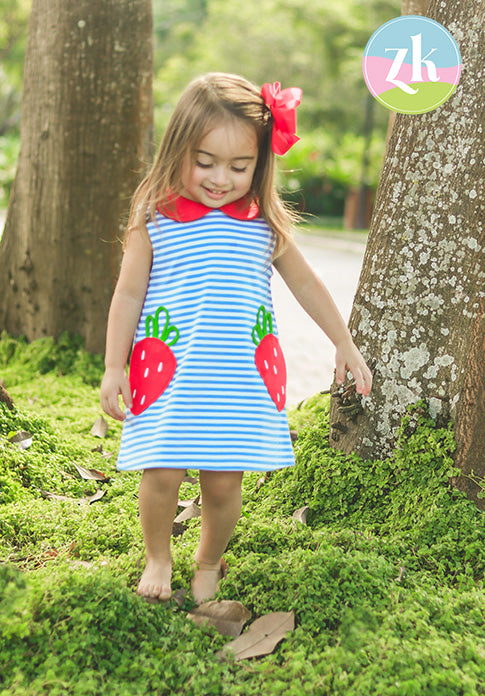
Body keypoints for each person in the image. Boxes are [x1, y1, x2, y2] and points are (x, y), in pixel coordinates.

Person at [100, 72, 372, 605]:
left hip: (238, 379)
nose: (221, 177)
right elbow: (128, 295)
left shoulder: (264, 223)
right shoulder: (155, 218)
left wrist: (344, 342)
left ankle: (208, 560)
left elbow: (306, 284)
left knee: (224, 484)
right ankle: (158, 556)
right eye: (205, 162)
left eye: (239, 166)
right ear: (178, 149)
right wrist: (114, 367)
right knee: (160, 475)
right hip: (170, 377)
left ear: (260, 164)